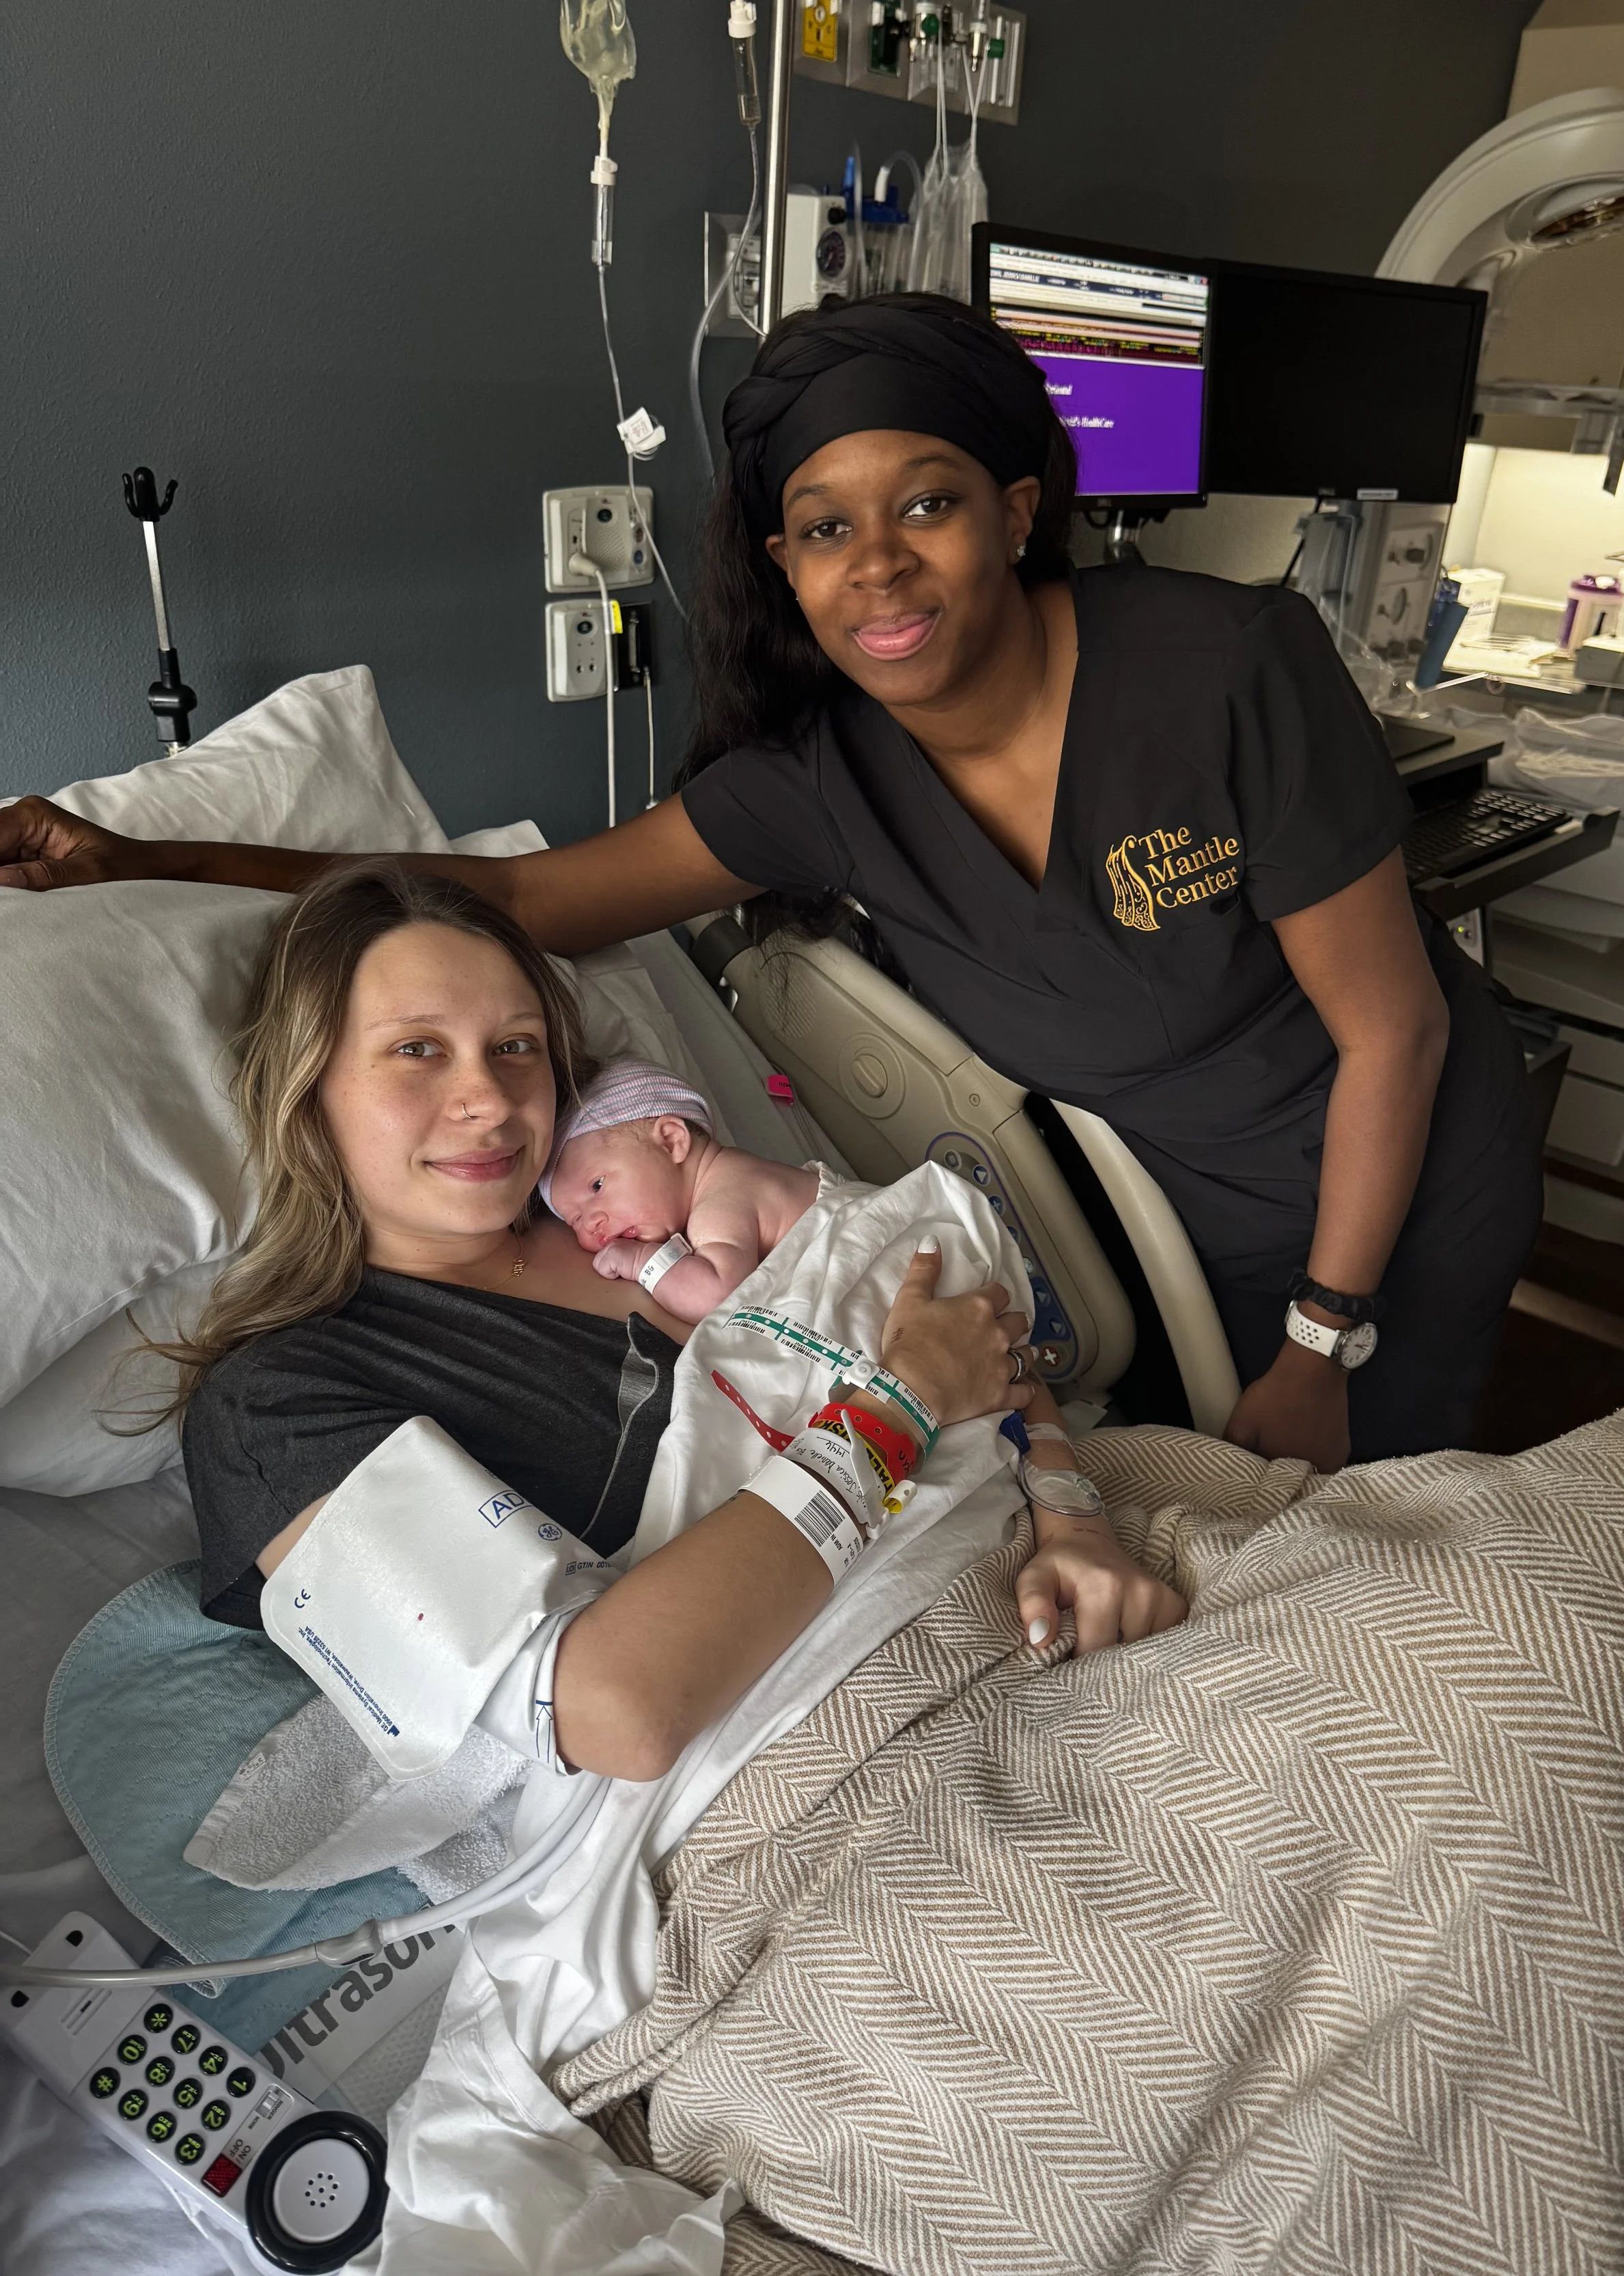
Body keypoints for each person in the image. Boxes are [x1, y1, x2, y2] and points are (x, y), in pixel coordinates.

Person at [0, 293, 1542, 1469]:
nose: (876, 564)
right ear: (786, 568)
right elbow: (517, 905)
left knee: (1388, 1502)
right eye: (824, 528)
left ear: (1016, 511)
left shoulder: (1222, 671)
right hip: (1168, 1215)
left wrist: (1322, 1341)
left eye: (926, 503)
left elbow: (1394, 1032)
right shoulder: (818, 784)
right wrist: (144, 854)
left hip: (1395, 1183)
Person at [167, 862, 1184, 1783]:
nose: (488, 1097)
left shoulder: (643, 1211)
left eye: (516, 1046)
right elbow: (611, 1709)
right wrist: (898, 1407)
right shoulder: (279, 1407)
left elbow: (957, 1330)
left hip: (1047, 1572)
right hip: (839, 1745)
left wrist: (1075, 1523)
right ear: (308, 1087)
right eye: (416, 1050)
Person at [540, 1055, 822, 1324]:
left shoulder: (721, 1201)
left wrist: (640, 1262)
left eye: (598, 1185)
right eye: (574, 1219)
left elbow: (716, 1299)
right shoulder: (734, 1172)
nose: (590, 1223)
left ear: (671, 1142)